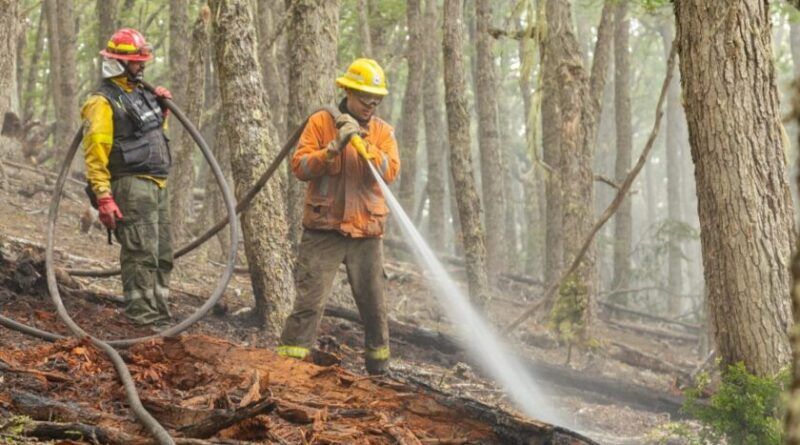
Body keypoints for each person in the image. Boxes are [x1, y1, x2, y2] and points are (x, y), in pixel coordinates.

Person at [278, 58, 401, 375]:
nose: (370, 106)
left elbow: (391, 171)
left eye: (376, 101)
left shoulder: (383, 132)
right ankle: (289, 367)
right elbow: (299, 167)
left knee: (374, 309)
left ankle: (379, 370)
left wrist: (366, 148)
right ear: (347, 91)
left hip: (366, 235)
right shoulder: (321, 122)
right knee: (308, 304)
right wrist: (333, 149)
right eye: (364, 99)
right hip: (324, 232)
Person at [81, 28, 174, 326]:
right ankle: (142, 320)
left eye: (142, 60)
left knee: (162, 255)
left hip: (157, 184)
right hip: (131, 185)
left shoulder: (143, 94)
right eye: (135, 61)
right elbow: (96, 151)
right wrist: (103, 196)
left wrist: (162, 112)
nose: (141, 66)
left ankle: (160, 317)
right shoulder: (102, 101)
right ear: (118, 62)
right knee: (141, 253)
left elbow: (153, 137)